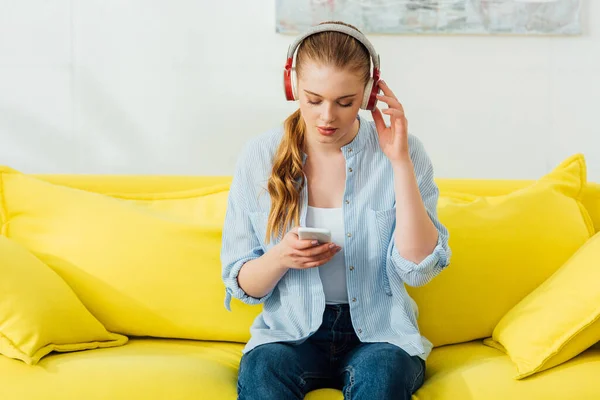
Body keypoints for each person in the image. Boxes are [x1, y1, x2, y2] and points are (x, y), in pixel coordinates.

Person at [221, 20, 451, 400]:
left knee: (382, 376)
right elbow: (243, 285)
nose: (327, 117)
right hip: (290, 335)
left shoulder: (403, 153)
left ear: (368, 93)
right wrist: (281, 257)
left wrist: (399, 162)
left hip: (380, 335)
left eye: (345, 102)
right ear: (291, 85)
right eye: (314, 100)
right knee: (262, 370)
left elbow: (419, 269)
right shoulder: (259, 156)